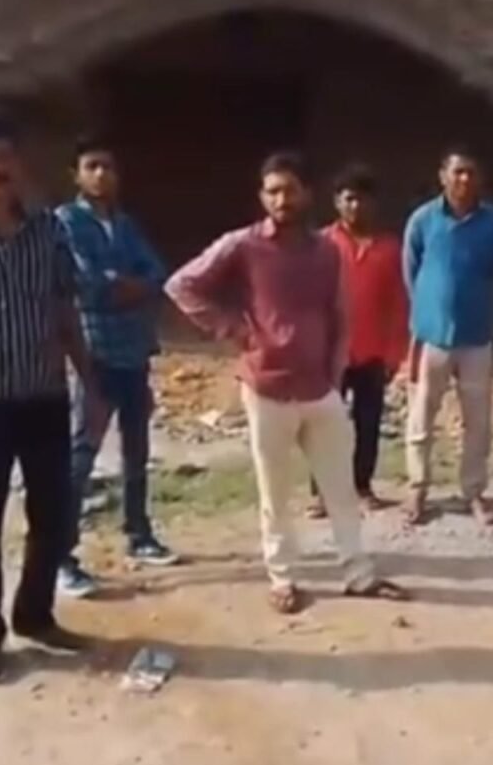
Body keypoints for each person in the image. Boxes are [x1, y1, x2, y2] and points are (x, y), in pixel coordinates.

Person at [165, 151, 406, 614]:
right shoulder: (243, 245)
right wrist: (232, 329)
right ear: (262, 196)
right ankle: (283, 578)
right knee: (274, 493)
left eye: (290, 190)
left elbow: (340, 317)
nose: (282, 199)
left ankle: (358, 574)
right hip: (267, 387)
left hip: (319, 389)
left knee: (341, 487)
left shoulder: (326, 252)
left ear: (307, 194)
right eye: (273, 191)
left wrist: (334, 374)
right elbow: (182, 286)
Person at [55, 135, 176, 599]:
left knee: (136, 447)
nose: (101, 174)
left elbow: (157, 272)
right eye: (92, 166)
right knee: (81, 453)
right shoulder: (66, 222)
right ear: (76, 174)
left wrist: (128, 285)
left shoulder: (124, 225)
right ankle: (61, 557)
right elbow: (86, 283)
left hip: (134, 350)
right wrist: (127, 286)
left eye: (108, 166)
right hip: (93, 353)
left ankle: (139, 533)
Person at [0, 118, 97, 675]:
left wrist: (90, 380)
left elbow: (64, 310)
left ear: (19, 167)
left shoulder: (48, 231)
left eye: (4, 159)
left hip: (44, 396)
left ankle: (35, 615)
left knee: (51, 515)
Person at [403, 147, 493, 526]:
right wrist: (427, 310)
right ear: (443, 176)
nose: (464, 179)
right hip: (431, 336)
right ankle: (417, 488)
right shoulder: (423, 220)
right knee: (421, 414)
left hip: (477, 336)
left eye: (471, 172)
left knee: (477, 420)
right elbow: (411, 270)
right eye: (458, 171)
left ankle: (474, 492)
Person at [307, 164, 408, 518]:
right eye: (348, 199)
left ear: (374, 203)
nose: (355, 206)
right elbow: (309, 300)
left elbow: (399, 303)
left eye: (362, 199)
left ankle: (362, 486)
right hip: (329, 354)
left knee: (368, 423)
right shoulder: (321, 243)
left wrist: (394, 354)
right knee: (324, 425)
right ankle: (322, 493)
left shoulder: (390, 248)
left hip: (372, 354)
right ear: (337, 202)